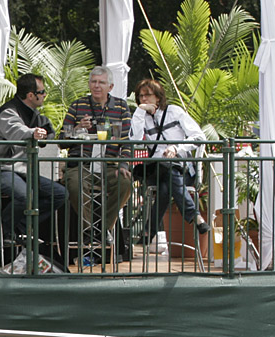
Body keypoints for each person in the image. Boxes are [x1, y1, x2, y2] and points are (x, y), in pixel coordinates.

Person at [0, 72, 68, 267]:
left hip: (22, 171)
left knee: (59, 193)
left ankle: (21, 224)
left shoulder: (35, 115)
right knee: (24, 195)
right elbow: (16, 132)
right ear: (31, 95)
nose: (45, 95)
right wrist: (33, 133)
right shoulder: (9, 111)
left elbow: (49, 135)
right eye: (42, 92)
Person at [61, 66, 134, 262]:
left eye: (101, 82)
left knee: (125, 183)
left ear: (110, 86)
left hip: (109, 164)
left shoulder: (120, 107)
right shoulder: (77, 106)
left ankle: (101, 230)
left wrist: (124, 165)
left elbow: (127, 141)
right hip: (81, 163)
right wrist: (77, 129)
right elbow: (62, 139)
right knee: (75, 185)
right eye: (93, 82)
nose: (96, 86)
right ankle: (89, 229)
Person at [129, 78, 210, 248]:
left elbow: (199, 136)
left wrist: (177, 148)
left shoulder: (174, 112)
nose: (144, 99)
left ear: (158, 97)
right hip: (155, 171)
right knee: (167, 169)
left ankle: (148, 232)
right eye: (140, 96)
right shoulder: (141, 117)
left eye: (148, 95)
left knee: (166, 187)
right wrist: (139, 112)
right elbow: (134, 140)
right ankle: (194, 215)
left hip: (182, 169)